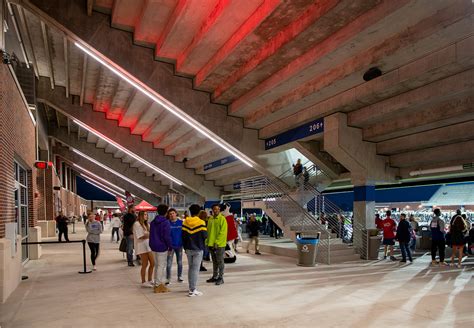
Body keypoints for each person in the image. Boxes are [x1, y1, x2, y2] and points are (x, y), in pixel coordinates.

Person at [182, 204, 208, 297]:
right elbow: (205, 236)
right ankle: (192, 290)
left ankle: (191, 287)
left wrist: (185, 247)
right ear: (198, 212)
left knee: (191, 268)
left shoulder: (185, 222)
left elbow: (183, 236)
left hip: (188, 248)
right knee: (195, 269)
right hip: (198, 248)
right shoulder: (201, 222)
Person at [150, 204, 172, 293]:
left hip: (153, 246)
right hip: (162, 247)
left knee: (157, 265)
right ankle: (158, 285)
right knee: (161, 266)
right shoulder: (165, 222)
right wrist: (170, 246)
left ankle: (156, 283)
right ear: (166, 212)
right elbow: (167, 236)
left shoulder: (152, 222)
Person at [206, 203, 227, 286]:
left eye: (218, 209)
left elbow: (223, 232)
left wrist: (217, 242)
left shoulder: (222, 219)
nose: (216, 210)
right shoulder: (210, 219)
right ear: (212, 210)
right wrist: (207, 242)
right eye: (215, 209)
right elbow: (208, 231)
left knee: (220, 261)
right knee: (214, 261)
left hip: (219, 245)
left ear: (219, 210)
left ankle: (221, 277)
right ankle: (215, 276)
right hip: (211, 244)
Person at [133, 211, 154, 287]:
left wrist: (148, 235)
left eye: (147, 215)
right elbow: (140, 236)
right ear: (141, 215)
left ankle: (150, 279)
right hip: (141, 246)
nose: (146, 216)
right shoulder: (137, 224)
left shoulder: (147, 224)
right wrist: (149, 235)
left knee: (153, 263)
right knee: (145, 264)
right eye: (145, 214)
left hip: (149, 245)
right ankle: (143, 281)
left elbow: (148, 234)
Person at [166, 208, 183, 284]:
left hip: (179, 246)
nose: (172, 215)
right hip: (170, 247)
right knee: (169, 263)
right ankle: (168, 278)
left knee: (179, 262)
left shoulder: (181, 223)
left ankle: (179, 276)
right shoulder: (167, 223)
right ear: (168, 215)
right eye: (170, 214)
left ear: (176, 214)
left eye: (173, 213)